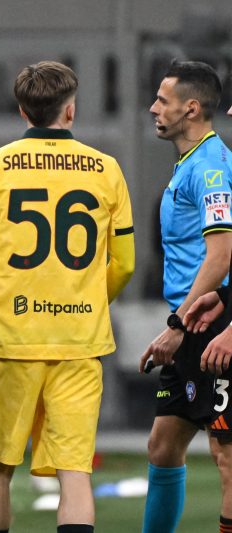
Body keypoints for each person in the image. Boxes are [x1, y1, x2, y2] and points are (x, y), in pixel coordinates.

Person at [0, 61, 135, 533]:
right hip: (79, 344)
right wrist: (88, 303)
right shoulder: (106, 169)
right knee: (75, 474)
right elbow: (125, 264)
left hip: (11, 341)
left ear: (23, 111)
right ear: (70, 110)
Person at [139, 60, 232, 533]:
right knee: (163, 445)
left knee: (227, 456)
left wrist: (177, 326)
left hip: (212, 323)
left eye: (162, 99)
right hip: (191, 320)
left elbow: (220, 257)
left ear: (191, 108)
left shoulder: (211, 169)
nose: (153, 108)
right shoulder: (190, 163)